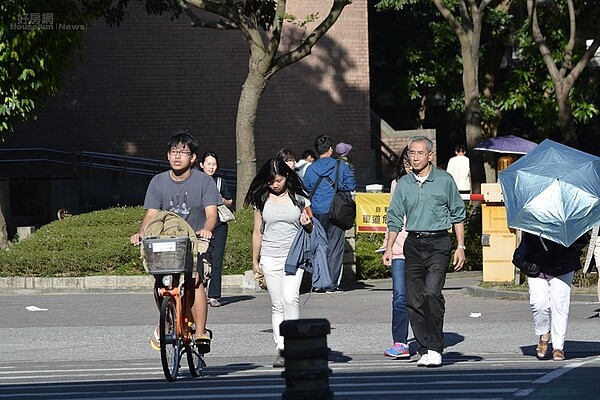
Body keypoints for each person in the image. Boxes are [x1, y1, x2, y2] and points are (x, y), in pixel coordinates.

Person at [129, 131, 220, 352]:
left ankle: (200, 333)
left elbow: (211, 214)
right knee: (161, 282)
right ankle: (167, 320)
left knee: (195, 279)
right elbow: (151, 215)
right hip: (167, 240)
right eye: (174, 152)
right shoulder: (158, 181)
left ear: (193, 158)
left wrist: (207, 230)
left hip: (195, 241)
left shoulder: (204, 181)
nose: (177, 157)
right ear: (168, 155)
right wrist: (141, 233)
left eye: (183, 153)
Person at [383, 135, 466, 368]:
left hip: (439, 242)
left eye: (421, 153)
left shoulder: (444, 180)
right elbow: (394, 218)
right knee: (413, 299)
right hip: (413, 243)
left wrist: (461, 246)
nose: (416, 157)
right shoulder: (404, 184)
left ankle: (435, 346)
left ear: (430, 156)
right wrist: (389, 248)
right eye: (412, 153)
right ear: (407, 156)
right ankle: (425, 346)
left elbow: (458, 213)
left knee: (431, 293)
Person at [244, 158, 313, 368]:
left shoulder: (300, 199)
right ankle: (282, 348)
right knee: (277, 305)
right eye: (271, 181)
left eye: (279, 180)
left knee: (290, 298)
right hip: (270, 256)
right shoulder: (262, 199)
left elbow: (312, 227)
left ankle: (294, 344)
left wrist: (307, 224)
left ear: (287, 177)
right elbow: (258, 231)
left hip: (294, 256)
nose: (275, 184)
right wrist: (255, 260)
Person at [521, 232, 589, 361]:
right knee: (538, 304)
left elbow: (582, 240)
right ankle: (544, 333)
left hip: (564, 265)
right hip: (536, 264)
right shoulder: (534, 216)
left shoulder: (569, 217)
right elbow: (527, 240)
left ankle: (558, 347)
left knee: (560, 305)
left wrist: (569, 244)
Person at [304, 135, 356, 292]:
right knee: (335, 248)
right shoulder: (341, 166)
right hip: (336, 212)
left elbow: (306, 187)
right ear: (331, 149)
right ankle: (331, 284)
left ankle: (318, 281)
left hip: (317, 212)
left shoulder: (310, 169)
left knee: (319, 247)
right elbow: (351, 185)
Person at [381, 146, 412, 359]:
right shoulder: (397, 185)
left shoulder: (434, 184)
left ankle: (428, 339)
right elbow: (392, 218)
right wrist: (388, 246)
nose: (411, 166)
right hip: (400, 248)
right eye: (407, 163)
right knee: (400, 297)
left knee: (425, 297)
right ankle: (400, 342)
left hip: (424, 249)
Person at [199, 151, 233, 308]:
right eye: (208, 164)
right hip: (200, 223)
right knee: (198, 258)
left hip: (219, 223)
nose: (211, 167)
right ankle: (199, 292)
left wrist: (222, 199)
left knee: (217, 258)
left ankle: (213, 295)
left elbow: (230, 202)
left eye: (214, 164)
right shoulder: (195, 181)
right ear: (201, 165)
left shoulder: (220, 182)